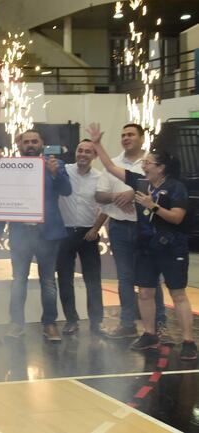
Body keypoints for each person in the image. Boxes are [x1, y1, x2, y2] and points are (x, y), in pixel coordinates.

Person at [88, 123, 196, 361]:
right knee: (145, 291)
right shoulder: (141, 183)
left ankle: (189, 341)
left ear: (161, 168)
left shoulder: (176, 187)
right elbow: (111, 167)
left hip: (171, 247)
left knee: (177, 293)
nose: (144, 166)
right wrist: (97, 143)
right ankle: (149, 334)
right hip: (146, 247)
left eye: (148, 163)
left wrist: (152, 206)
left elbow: (177, 217)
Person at [94, 123, 168, 341]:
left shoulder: (152, 163)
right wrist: (116, 196)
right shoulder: (114, 163)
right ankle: (127, 324)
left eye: (131, 134)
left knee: (151, 278)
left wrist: (131, 193)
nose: (126, 138)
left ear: (142, 138)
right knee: (125, 278)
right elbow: (99, 196)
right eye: (123, 135)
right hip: (119, 227)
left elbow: (162, 189)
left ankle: (159, 323)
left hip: (147, 228)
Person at [0, 129, 71, 342]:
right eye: (26, 142)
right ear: (19, 145)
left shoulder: (55, 164)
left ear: (42, 143)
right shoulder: (11, 166)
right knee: (18, 281)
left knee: (48, 281)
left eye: (34, 141)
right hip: (20, 233)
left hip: (48, 234)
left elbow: (67, 191)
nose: (30, 145)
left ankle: (50, 324)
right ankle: (16, 324)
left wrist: (55, 174)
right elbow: (2, 197)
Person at [56, 140, 106, 335]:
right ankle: (71, 320)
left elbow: (107, 207)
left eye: (88, 151)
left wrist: (96, 228)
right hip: (64, 233)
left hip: (89, 234)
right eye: (80, 150)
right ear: (76, 152)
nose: (83, 154)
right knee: (65, 279)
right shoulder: (64, 171)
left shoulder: (100, 178)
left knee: (93, 280)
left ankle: (96, 322)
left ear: (94, 156)